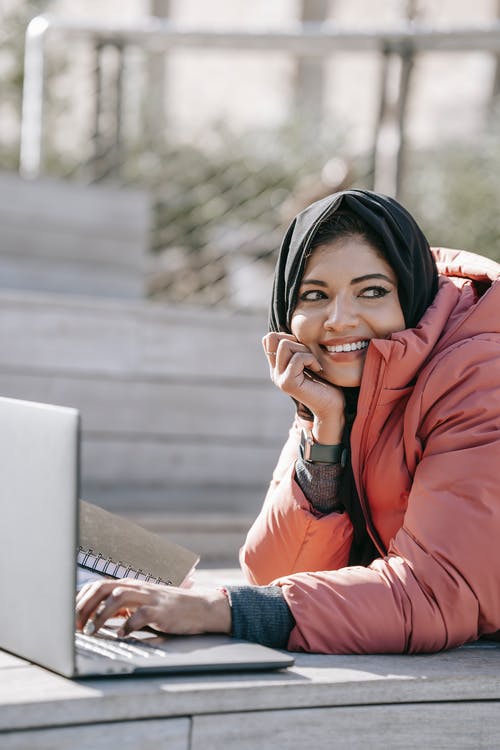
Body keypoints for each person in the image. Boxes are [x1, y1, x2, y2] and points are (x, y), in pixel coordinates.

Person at [77, 189, 500, 654]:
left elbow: (435, 593)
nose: (339, 320)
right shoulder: (343, 386)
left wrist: (217, 610)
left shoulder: (481, 376)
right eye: (315, 296)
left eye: (372, 291)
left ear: (413, 292)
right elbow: (275, 574)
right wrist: (323, 432)